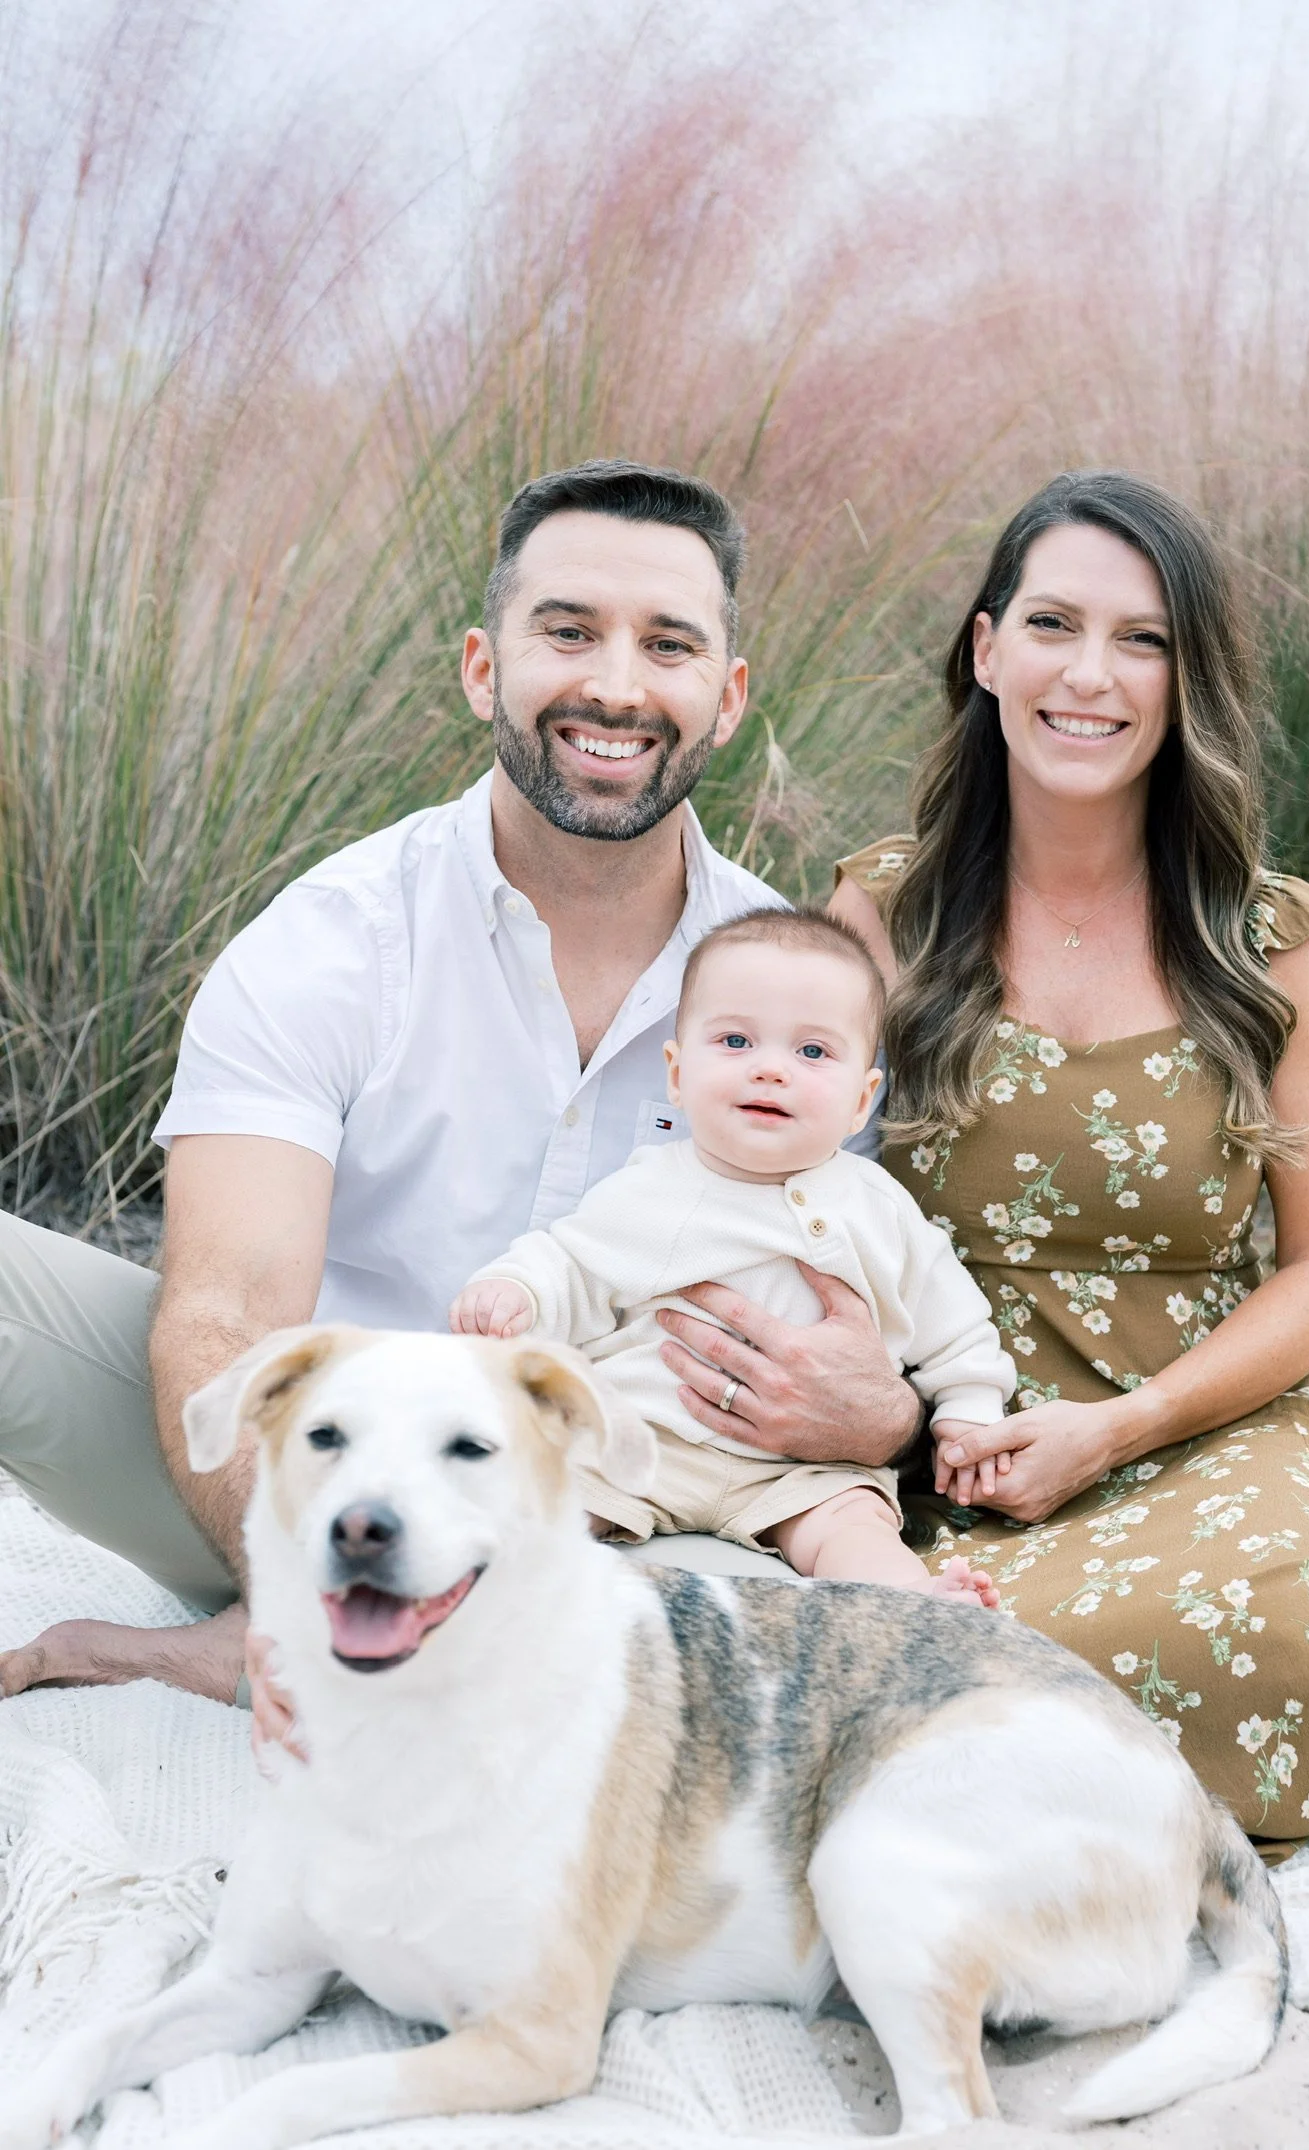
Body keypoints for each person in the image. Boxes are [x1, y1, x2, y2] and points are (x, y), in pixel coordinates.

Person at [0, 459, 922, 1713]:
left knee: (719, 1663)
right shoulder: (328, 941)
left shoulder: (795, 998)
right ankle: (302, 1629)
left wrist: (887, 1416)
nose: (615, 684)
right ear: (485, 666)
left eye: (668, 645)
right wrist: (295, 1583)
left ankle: (419, 1652)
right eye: (568, 631)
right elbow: (222, 1317)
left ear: (726, 699)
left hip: (625, 1510)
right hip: (302, 1483)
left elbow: (842, 1307)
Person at [830, 469, 1309, 1851]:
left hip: (1211, 1416)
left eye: (1142, 639)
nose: (1091, 674)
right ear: (986, 650)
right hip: (957, 1437)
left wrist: (1122, 1424)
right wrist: (893, 1424)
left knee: (1254, 1633)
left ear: (1184, 678)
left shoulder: (1274, 945)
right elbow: (799, 1193)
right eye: (1052, 624)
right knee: (963, 1653)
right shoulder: (883, 910)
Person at [452, 907, 1014, 1602]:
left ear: (862, 1101)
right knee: (555, 1496)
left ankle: (918, 1607)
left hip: (806, 1470)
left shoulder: (880, 1206)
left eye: (813, 1053)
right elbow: (570, 1265)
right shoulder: (651, 1187)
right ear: (678, 1074)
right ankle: (472, 1586)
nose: (771, 1070)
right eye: (737, 1041)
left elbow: (953, 1320)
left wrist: (968, 1410)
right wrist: (516, 1291)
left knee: (854, 1528)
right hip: (649, 1438)